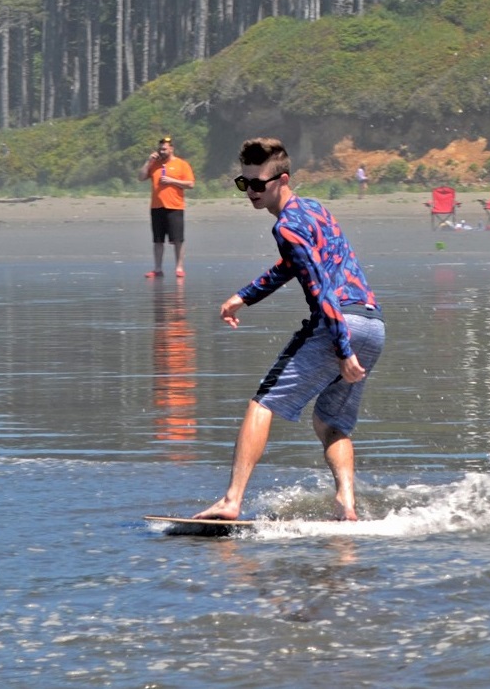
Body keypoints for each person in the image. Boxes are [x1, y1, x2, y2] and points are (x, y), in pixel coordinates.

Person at [195, 137, 386, 522]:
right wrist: (244, 297)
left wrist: (343, 348)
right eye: (243, 183)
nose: (249, 191)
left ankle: (232, 501)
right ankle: (346, 505)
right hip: (373, 323)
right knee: (330, 422)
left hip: (340, 324)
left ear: (281, 180)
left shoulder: (286, 227)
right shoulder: (315, 210)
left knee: (262, 404)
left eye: (257, 184)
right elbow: (293, 266)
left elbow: (318, 285)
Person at [140, 135, 195, 278]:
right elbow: (140, 177)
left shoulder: (182, 164)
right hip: (157, 207)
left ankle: (179, 268)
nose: (161, 151)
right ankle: (157, 269)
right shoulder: (154, 164)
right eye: (160, 149)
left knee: (178, 239)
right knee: (158, 240)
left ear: (171, 149)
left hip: (175, 206)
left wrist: (172, 180)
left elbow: (190, 184)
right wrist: (148, 161)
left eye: (164, 149)